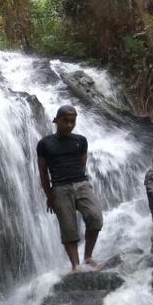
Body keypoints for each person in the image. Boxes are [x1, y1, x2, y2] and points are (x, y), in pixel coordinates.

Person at [36, 105, 104, 273]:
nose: (68, 125)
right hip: (59, 188)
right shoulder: (45, 144)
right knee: (68, 228)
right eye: (65, 121)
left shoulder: (80, 141)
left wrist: (80, 183)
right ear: (56, 120)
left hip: (81, 184)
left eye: (72, 121)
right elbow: (43, 173)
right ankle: (75, 265)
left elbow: (82, 165)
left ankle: (88, 258)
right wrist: (50, 196)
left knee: (95, 217)